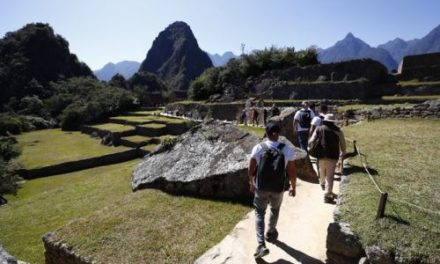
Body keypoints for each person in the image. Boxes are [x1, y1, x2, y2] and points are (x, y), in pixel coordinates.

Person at [248, 122, 297, 259]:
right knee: (275, 210)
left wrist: (251, 183)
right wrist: (293, 187)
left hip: (261, 186)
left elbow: (251, 168)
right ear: (278, 134)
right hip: (278, 187)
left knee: (259, 213)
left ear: (267, 134)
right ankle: (270, 231)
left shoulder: (259, 148)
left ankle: (261, 244)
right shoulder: (287, 149)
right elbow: (292, 171)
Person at [308, 114, 346, 203]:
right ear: (333, 122)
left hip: (321, 154)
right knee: (330, 176)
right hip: (332, 156)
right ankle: (328, 194)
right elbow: (343, 144)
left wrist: (310, 147)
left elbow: (311, 140)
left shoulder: (319, 129)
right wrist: (343, 152)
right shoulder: (338, 131)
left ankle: (322, 183)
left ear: (325, 121)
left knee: (321, 170)